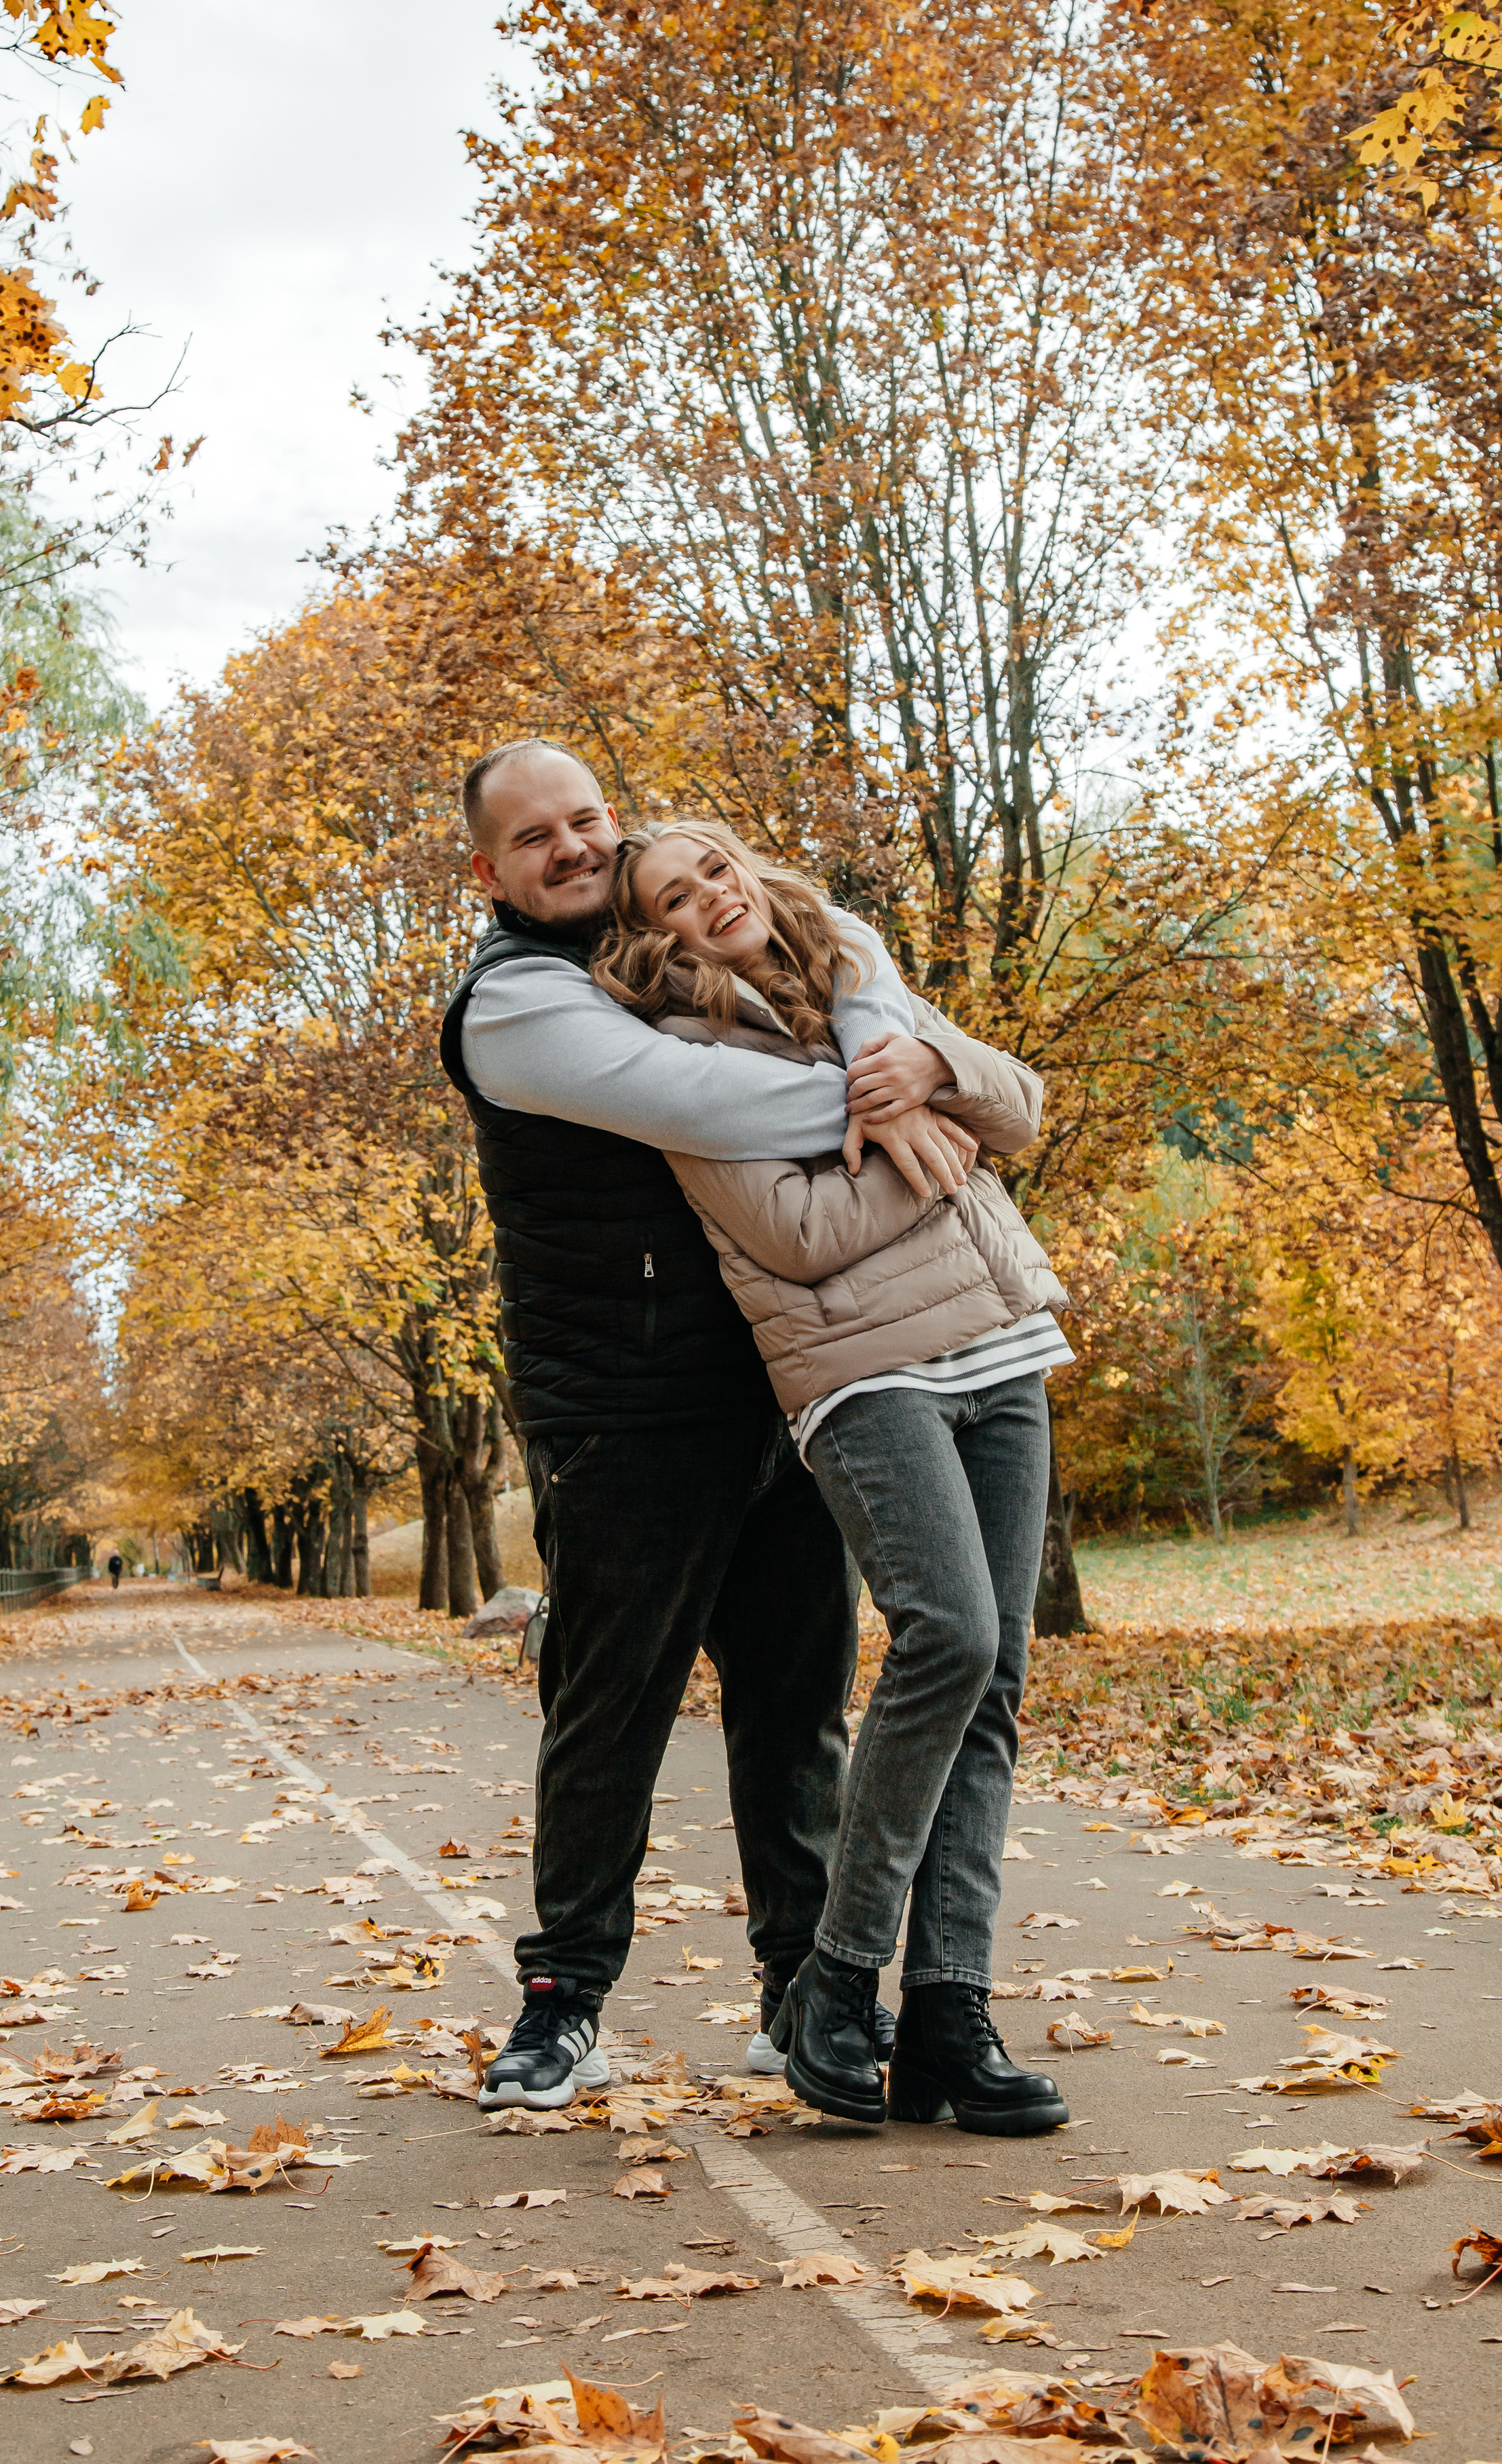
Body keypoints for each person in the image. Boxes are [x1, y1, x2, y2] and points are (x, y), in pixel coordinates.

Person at [439, 738, 971, 2112]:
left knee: (797, 1707)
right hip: (623, 1408)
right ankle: (562, 2001)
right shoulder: (513, 1002)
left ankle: (797, 1991)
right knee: (610, 1704)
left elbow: (832, 942)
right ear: (488, 871)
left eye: (584, 819)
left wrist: (897, 1039)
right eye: (533, 837)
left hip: (778, 1378)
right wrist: (897, 1080)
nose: (570, 847)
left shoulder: (664, 939)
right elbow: (705, 1101)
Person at [592, 817, 1074, 2134]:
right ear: (652, 935)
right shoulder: (683, 1063)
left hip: (1000, 1345)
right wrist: (935, 1148)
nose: (711, 897)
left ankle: (950, 2018)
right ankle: (837, 1982)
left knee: (991, 1684)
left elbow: (1021, 1109)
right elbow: (796, 1233)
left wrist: (932, 1069)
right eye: (674, 897)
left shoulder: (860, 985)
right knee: (948, 1637)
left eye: (715, 867)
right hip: (864, 1376)